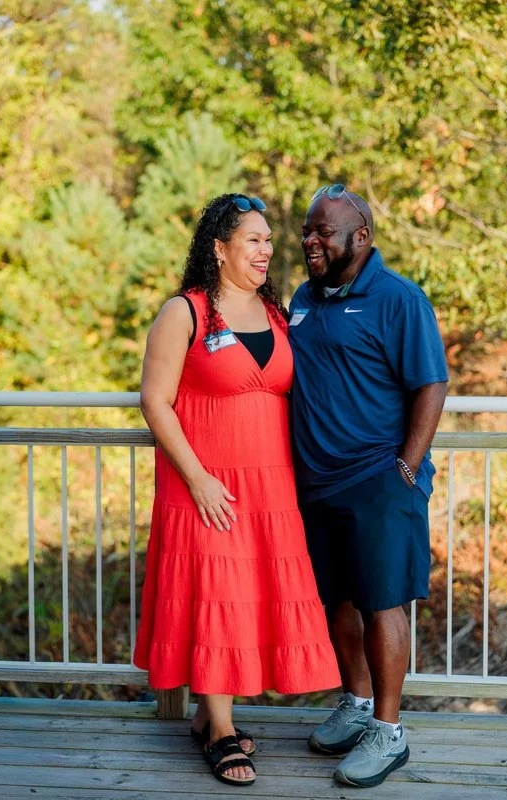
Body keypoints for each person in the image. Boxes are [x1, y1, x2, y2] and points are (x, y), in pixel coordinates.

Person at [133, 193, 341, 787]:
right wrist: (198, 478)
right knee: (216, 596)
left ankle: (207, 716)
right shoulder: (185, 312)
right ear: (219, 249)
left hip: (270, 487)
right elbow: (155, 401)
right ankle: (222, 730)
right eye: (253, 239)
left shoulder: (276, 313)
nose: (266, 249)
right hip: (205, 484)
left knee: (245, 597)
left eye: (269, 240)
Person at [288, 184, 448, 788]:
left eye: (323, 232)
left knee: (383, 603)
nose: (311, 240)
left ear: (361, 237)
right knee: (339, 600)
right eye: (307, 230)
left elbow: (431, 383)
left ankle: (388, 730)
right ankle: (356, 705)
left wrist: (407, 466)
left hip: (380, 478)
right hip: (319, 484)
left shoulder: (399, 298)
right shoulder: (303, 297)